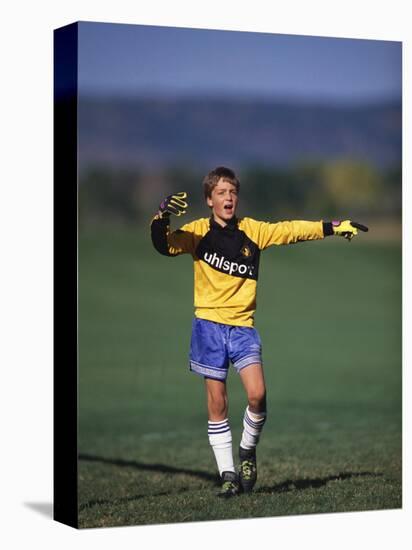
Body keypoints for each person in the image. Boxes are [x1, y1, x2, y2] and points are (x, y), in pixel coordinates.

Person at [150, 166, 368, 498]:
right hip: (208, 327)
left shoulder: (252, 231)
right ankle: (227, 474)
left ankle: (247, 451)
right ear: (209, 199)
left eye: (232, 192)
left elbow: (291, 230)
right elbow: (163, 245)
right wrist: (161, 216)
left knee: (257, 395)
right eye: (221, 192)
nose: (229, 198)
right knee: (217, 401)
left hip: (243, 328)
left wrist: (333, 227)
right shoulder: (196, 232)